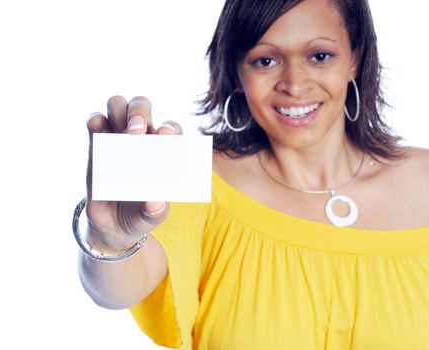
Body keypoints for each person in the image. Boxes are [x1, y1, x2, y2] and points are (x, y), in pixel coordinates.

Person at [76, 0, 429, 348]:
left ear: (355, 59)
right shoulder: (202, 182)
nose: (294, 84)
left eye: (319, 56)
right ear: (237, 74)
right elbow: (115, 291)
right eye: (266, 61)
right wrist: (109, 239)